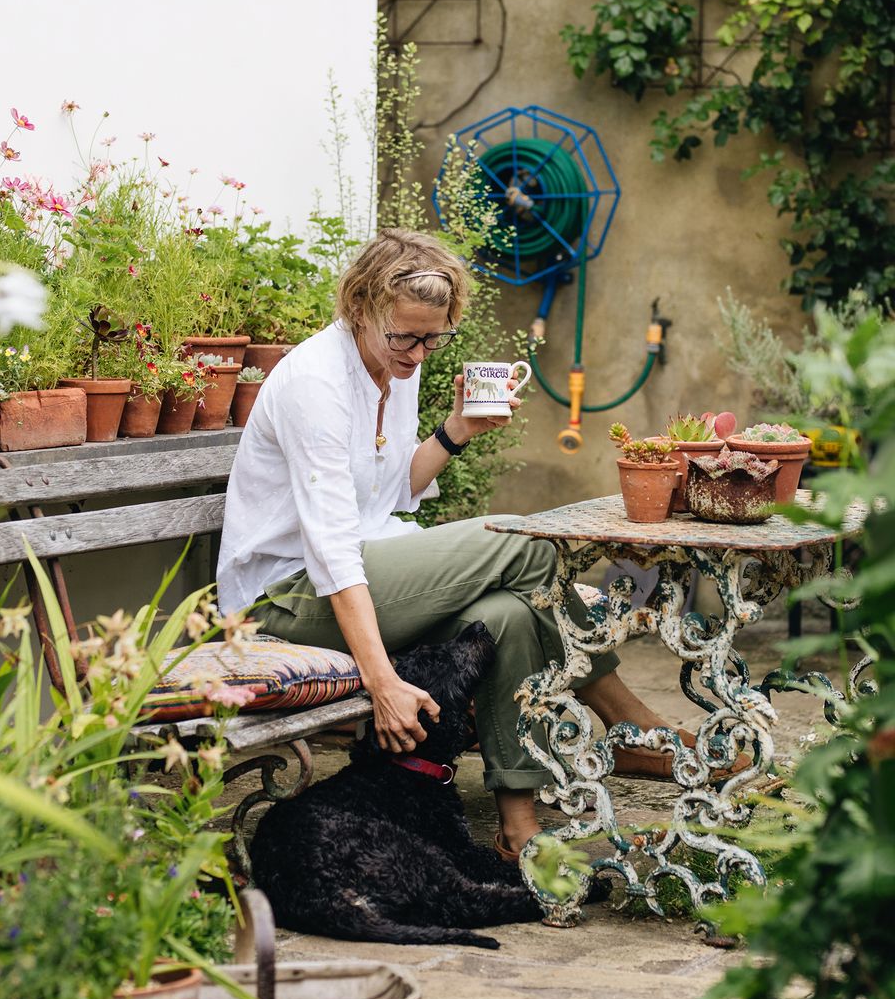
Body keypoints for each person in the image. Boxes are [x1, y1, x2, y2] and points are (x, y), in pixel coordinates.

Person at [217, 227, 690, 859]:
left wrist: (458, 428)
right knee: (527, 543)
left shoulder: (395, 366)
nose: (417, 353)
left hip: (364, 569)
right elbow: (331, 550)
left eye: (434, 337)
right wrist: (380, 681)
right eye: (405, 336)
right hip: (285, 601)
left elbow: (391, 492)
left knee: (508, 616)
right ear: (359, 309)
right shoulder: (315, 384)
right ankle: (628, 720)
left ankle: (517, 823)